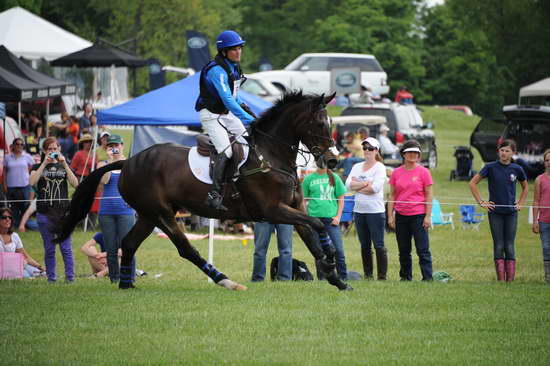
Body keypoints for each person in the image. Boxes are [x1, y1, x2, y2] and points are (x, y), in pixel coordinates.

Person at [194, 30, 254, 211]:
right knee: (226, 152)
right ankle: (214, 195)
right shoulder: (217, 71)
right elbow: (227, 99)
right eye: (233, 49)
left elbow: (235, 98)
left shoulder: (233, 68)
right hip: (211, 115)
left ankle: (240, 182)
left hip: (225, 114)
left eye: (239, 48)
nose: (238, 52)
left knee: (250, 141)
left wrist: (250, 112)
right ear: (223, 52)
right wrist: (248, 119)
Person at [469, 139, 528, 282]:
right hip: (495, 213)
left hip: (511, 213)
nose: (504, 153)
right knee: (499, 244)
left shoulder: (517, 169)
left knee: (509, 244)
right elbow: (472, 183)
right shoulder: (490, 167)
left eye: (507, 151)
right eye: (502, 150)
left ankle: (510, 281)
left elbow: (525, 187)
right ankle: (501, 280)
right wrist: (481, 202)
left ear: (513, 153)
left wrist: (520, 203)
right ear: (498, 151)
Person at [30, 137, 79, 283]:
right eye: (49, 149)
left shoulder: (64, 165)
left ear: (59, 150)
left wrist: (64, 164)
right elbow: (31, 182)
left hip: (62, 213)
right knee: (50, 248)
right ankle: (51, 278)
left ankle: (70, 278)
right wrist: (44, 162)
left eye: (55, 148)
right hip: (44, 213)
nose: (52, 151)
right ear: (44, 151)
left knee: (66, 248)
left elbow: (76, 184)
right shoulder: (37, 166)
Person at [387, 139, 433, 281]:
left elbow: (429, 194)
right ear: (403, 154)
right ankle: (405, 277)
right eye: (409, 152)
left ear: (419, 155)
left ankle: (427, 278)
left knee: (422, 250)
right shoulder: (396, 173)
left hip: (418, 215)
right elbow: (392, 195)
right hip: (401, 215)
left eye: (415, 152)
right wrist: (390, 215)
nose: (413, 155)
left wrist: (427, 216)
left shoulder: (424, 172)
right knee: (404, 250)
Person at [345, 137, 388, 280]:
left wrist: (358, 185)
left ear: (376, 151)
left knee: (379, 244)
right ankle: (368, 275)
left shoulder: (380, 167)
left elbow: (375, 188)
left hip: (375, 212)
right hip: (359, 211)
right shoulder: (356, 166)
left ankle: (382, 277)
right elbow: (347, 185)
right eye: (365, 148)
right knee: (364, 245)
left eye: (370, 148)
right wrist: (365, 184)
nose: (367, 151)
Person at [98, 134, 137, 285]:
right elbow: (104, 181)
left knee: (128, 246)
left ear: (122, 146)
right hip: (106, 212)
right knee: (110, 247)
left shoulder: (129, 164)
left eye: (116, 145)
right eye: (110, 146)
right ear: (106, 148)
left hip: (125, 212)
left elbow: (135, 187)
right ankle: (114, 278)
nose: (114, 148)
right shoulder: (102, 164)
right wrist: (112, 162)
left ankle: (129, 277)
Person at [302, 157, 348, 280]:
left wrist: (338, 217)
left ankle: (343, 276)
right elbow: (303, 200)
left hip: (331, 220)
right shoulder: (308, 179)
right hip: (314, 220)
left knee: (338, 249)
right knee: (319, 252)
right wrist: (307, 218)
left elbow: (341, 199)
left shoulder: (335, 177)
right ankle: (323, 278)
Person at [0, 207, 44, 278]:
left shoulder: (14, 236)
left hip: (18, 265)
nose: (8, 219)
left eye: (10, 217)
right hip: (5, 269)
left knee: (43, 274)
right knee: (28, 278)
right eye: (4, 217)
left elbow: (25, 256)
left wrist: (40, 266)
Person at [3, 138, 35, 227]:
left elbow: (32, 170)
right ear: (13, 146)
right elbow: (4, 173)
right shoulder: (7, 157)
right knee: (13, 208)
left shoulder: (27, 156)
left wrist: (30, 182)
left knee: (25, 206)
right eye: (17, 144)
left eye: (21, 144)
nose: (19, 146)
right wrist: (5, 185)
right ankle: (16, 224)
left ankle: (25, 223)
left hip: (24, 186)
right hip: (11, 187)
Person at [533, 149, 550, 283]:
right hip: (544, 220)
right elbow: (536, 201)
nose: (549, 163)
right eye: (547, 160)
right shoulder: (540, 179)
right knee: (546, 248)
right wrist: (535, 221)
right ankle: (548, 277)